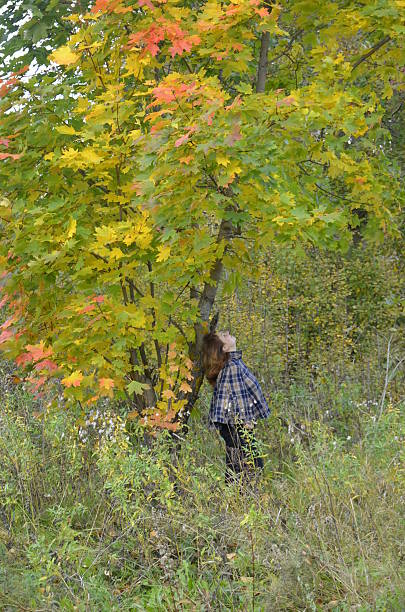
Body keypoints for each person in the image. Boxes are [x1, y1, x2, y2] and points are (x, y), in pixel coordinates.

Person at [202, 330, 270, 484]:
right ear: (224, 349)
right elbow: (238, 398)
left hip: (235, 426)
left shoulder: (233, 364)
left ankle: (237, 501)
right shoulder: (232, 367)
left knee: (239, 466)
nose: (227, 333)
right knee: (250, 466)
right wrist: (247, 421)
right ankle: (242, 501)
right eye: (224, 336)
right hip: (238, 427)